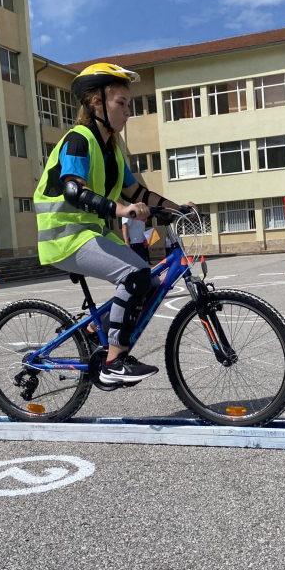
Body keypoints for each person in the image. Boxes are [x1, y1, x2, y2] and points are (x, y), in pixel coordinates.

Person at [33, 63, 194, 384]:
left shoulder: (112, 150)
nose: (128, 112)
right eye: (121, 103)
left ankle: (95, 332)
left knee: (149, 282)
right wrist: (122, 210)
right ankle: (114, 363)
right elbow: (73, 190)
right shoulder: (78, 140)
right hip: (64, 237)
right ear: (96, 103)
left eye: (129, 104)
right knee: (134, 275)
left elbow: (137, 192)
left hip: (89, 234)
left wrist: (179, 210)